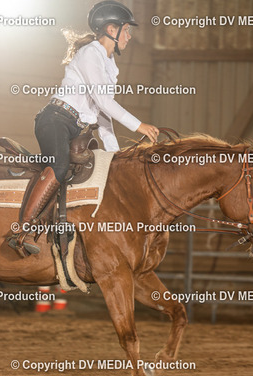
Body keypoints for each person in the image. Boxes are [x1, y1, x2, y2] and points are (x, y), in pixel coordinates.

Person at [8, 0, 159, 255]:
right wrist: (139, 126)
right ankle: (22, 229)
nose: (129, 36)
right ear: (111, 29)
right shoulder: (90, 53)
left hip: (76, 128)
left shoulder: (109, 64)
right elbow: (104, 101)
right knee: (59, 166)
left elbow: (103, 113)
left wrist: (114, 155)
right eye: (126, 30)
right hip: (55, 120)